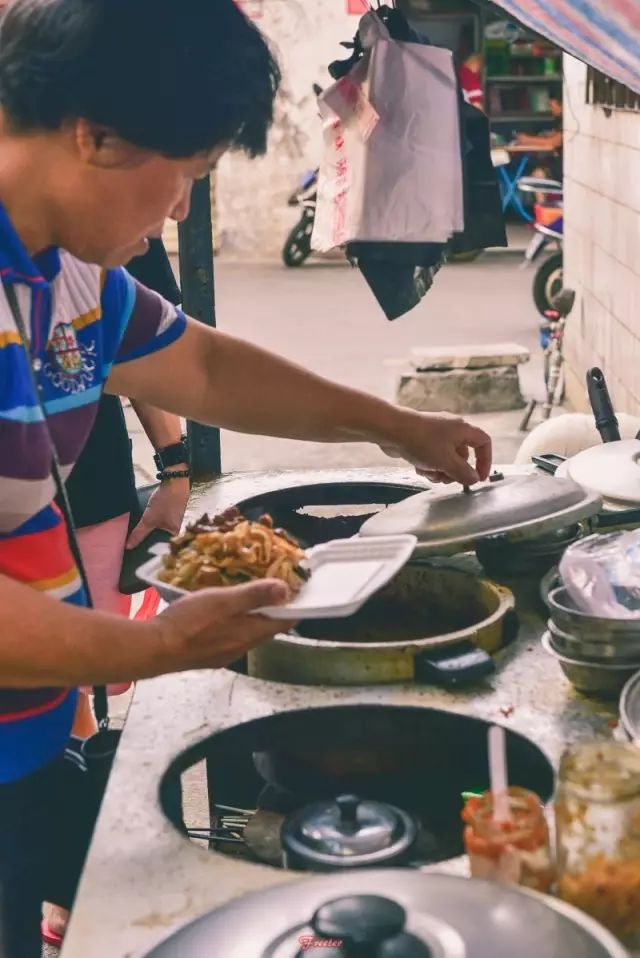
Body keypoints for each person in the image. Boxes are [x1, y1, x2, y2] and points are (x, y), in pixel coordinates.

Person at [0, 2, 492, 956]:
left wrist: (395, 425)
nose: (180, 209)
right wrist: (154, 647)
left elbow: (207, 370)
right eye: (185, 175)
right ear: (92, 135)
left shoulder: (62, 273)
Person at [40, 239, 190, 948]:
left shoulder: (114, 242)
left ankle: (67, 874)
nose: (173, 209)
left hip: (93, 489)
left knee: (75, 689)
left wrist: (176, 464)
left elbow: (169, 359)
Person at [515, 89, 563, 183]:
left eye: (552, 106)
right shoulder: (558, 121)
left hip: (565, 165)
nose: (551, 109)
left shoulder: (568, 121)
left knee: (538, 174)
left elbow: (555, 142)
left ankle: (541, 198)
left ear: (561, 105)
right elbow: (553, 136)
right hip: (557, 160)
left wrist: (527, 140)